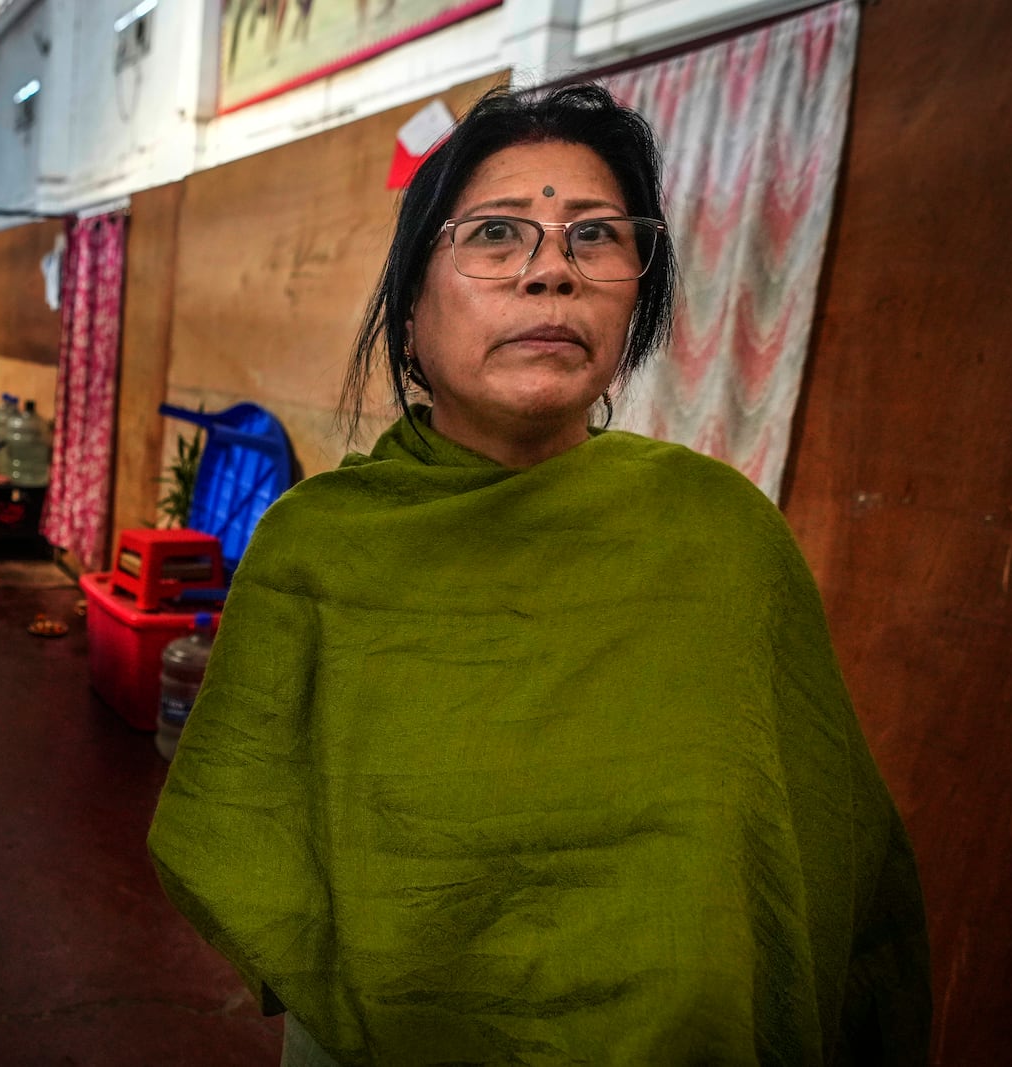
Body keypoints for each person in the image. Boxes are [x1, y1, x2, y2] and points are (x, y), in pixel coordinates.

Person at [148, 84, 931, 1066]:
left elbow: (823, 853)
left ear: (636, 291)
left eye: (595, 236)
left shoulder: (717, 534)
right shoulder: (321, 547)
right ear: (411, 303)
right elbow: (239, 828)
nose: (551, 270)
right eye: (495, 234)